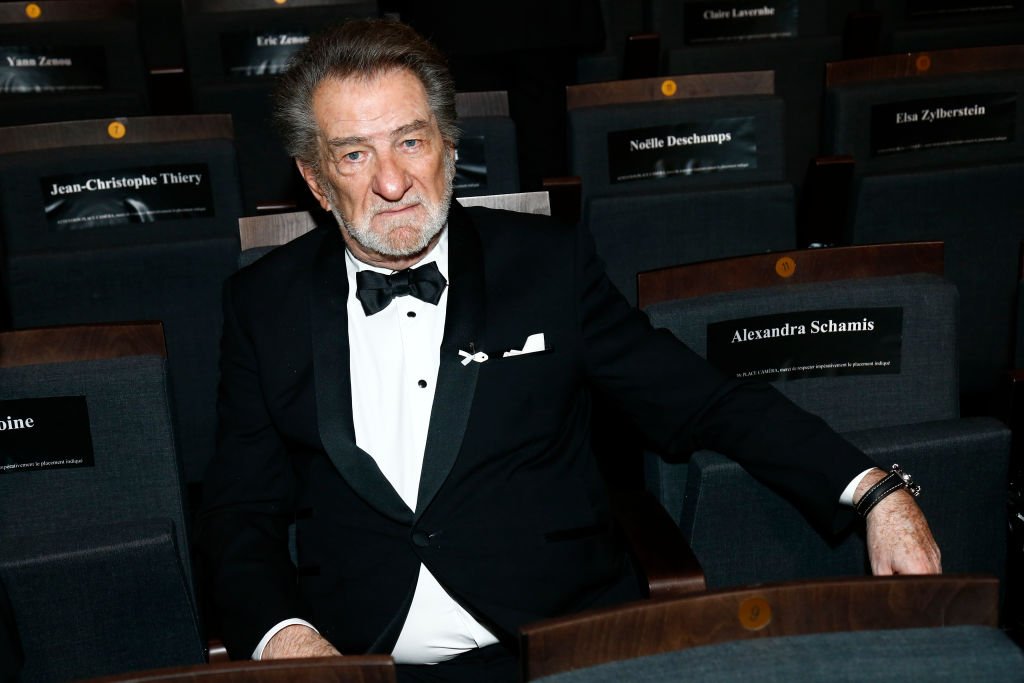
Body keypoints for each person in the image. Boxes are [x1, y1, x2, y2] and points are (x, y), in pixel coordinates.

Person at [196, 18, 940, 682]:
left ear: (449, 148)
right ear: (316, 182)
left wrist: (873, 489)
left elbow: (702, 399)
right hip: (366, 660)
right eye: (354, 154)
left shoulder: (547, 266)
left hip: (558, 648)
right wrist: (287, 640)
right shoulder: (264, 305)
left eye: (411, 141)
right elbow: (239, 512)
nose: (392, 181)